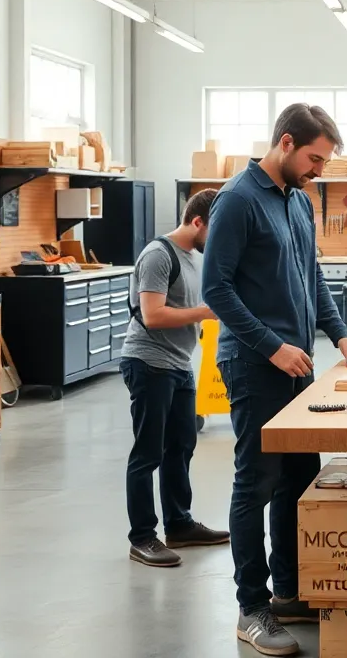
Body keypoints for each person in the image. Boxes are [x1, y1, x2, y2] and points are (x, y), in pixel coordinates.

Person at [202, 103, 347, 657]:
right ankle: (250, 608)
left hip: (296, 363)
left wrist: (341, 335)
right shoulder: (237, 201)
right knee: (255, 481)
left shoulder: (298, 202)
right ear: (284, 143)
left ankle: (289, 590)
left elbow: (311, 277)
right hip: (255, 364)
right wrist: (272, 347)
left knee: (299, 477)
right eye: (315, 158)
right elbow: (216, 289)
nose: (320, 170)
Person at [121, 188, 229, 568]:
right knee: (147, 453)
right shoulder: (158, 255)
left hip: (180, 364)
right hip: (149, 362)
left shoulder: (195, 257)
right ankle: (142, 537)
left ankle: (179, 525)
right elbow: (152, 315)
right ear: (197, 222)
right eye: (215, 230)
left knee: (180, 447)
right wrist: (203, 312)